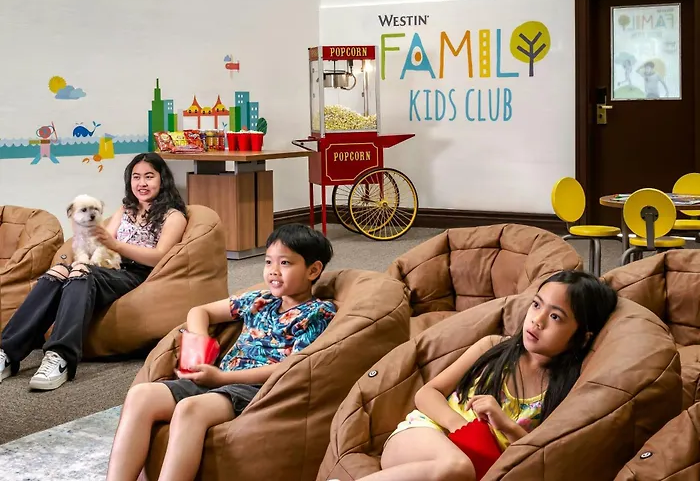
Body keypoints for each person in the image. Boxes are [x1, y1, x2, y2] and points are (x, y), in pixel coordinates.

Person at [106, 223, 336, 481]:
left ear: (313, 270)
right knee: (140, 395)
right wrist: (201, 341)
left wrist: (222, 378)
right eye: (268, 261)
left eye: (285, 263)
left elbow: (292, 367)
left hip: (255, 389)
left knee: (190, 409)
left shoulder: (317, 313)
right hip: (217, 377)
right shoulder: (259, 300)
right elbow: (199, 311)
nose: (273, 271)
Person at [345, 270, 618, 481]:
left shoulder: (565, 390)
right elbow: (427, 393)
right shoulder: (492, 348)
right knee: (458, 466)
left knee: (459, 470)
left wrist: (504, 424)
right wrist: (462, 428)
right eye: (536, 305)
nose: (538, 320)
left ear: (583, 337)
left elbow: (541, 457)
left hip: (476, 468)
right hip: (421, 437)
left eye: (556, 317)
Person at [0, 152, 187, 391]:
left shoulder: (173, 216)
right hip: (110, 265)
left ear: (163, 179)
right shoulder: (126, 209)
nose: (142, 183)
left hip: (139, 273)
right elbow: (102, 240)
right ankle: (7, 352)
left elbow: (161, 256)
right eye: (136, 177)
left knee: (81, 273)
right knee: (58, 272)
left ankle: (61, 357)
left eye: (149, 177)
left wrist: (116, 246)